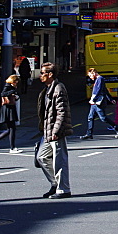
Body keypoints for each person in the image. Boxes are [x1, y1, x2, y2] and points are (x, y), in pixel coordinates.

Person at [36, 63, 72, 198]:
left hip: (56, 131)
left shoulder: (58, 88)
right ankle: (55, 183)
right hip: (47, 130)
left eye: (42, 73)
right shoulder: (47, 89)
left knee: (60, 160)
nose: (40, 75)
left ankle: (64, 189)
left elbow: (62, 112)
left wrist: (56, 131)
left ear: (50, 74)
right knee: (42, 157)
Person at [0, 75, 21, 153]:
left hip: (9, 108)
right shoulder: (8, 86)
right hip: (8, 108)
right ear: (13, 81)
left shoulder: (10, 86)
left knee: (10, 129)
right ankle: (12, 148)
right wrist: (12, 92)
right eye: (16, 82)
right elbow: (3, 94)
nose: (17, 83)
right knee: (12, 128)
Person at [81, 68, 116, 140]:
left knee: (103, 118)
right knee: (90, 117)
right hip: (94, 103)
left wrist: (93, 100)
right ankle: (89, 134)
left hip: (98, 102)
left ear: (93, 73)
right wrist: (111, 99)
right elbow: (105, 90)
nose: (90, 77)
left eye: (90, 75)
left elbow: (100, 90)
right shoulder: (97, 80)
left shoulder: (100, 79)